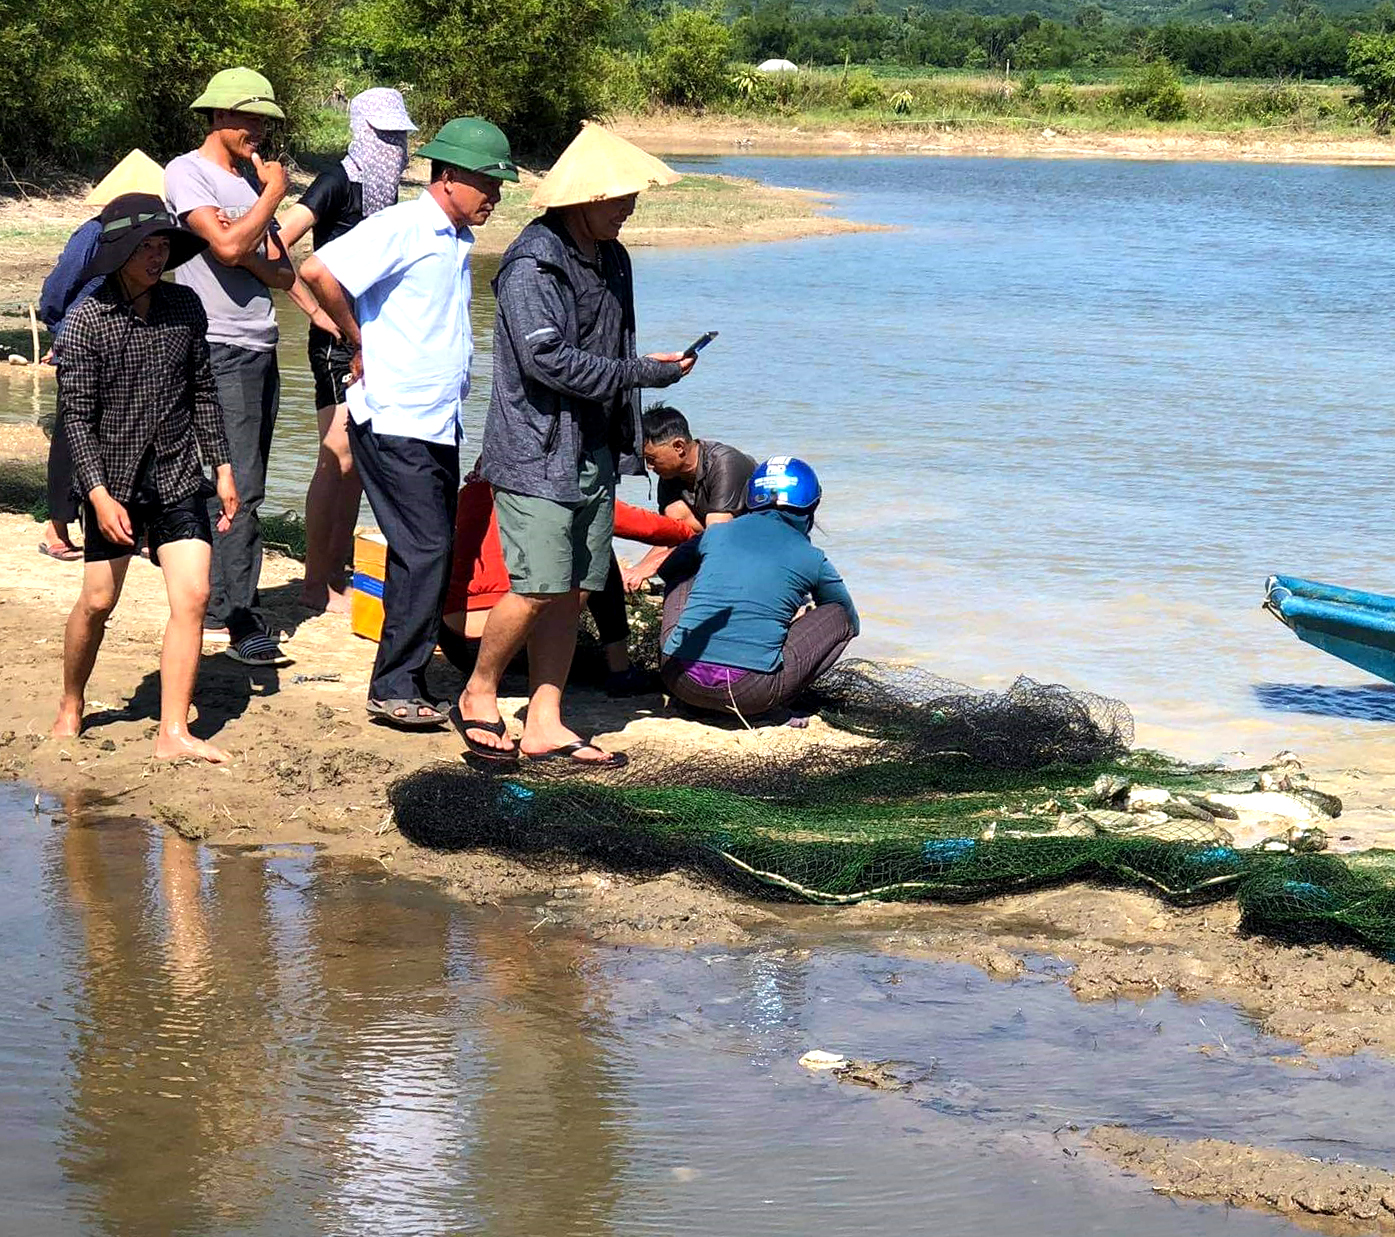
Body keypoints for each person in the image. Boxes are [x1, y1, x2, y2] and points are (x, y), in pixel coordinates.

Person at [459, 122, 694, 765]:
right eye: (619, 198)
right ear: (584, 199)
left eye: (631, 197)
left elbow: (611, 349)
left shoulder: (613, 258)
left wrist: (633, 397)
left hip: (592, 449)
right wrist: (647, 371)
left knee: (576, 588)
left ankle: (545, 719)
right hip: (534, 451)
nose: (629, 208)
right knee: (535, 585)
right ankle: (477, 694)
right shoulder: (533, 263)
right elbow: (549, 363)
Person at [300, 117, 518, 730]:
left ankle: (404, 676)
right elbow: (320, 271)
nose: (495, 197)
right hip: (395, 412)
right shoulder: (402, 225)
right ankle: (395, 684)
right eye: (487, 184)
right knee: (427, 547)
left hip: (433, 418)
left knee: (423, 546)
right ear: (448, 178)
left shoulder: (454, 237)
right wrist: (355, 337)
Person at [50, 193, 239, 763]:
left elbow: (203, 391)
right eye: (145, 246)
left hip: (180, 471)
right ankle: (71, 701)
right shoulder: (87, 321)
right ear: (119, 252)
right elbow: (76, 420)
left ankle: (173, 732)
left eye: (163, 245)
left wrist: (223, 466)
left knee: (194, 595)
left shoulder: (186, 307)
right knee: (99, 601)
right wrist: (99, 495)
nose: (156, 256)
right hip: (113, 479)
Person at [165, 67, 294, 667]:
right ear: (219, 117)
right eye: (253, 119)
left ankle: (218, 599)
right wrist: (271, 198)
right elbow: (228, 248)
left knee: (244, 477)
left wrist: (247, 243)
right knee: (237, 482)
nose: (261, 132)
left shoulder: (246, 180)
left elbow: (282, 271)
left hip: (261, 343)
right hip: (215, 342)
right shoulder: (187, 172)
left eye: (266, 121)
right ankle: (233, 615)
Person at [277, 87, 416, 613]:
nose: (395, 147)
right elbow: (276, 243)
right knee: (334, 456)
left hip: (373, 339)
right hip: (337, 339)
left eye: (400, 136)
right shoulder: (337, 181)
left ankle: (335, 573)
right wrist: (315, 312)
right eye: (385, 136)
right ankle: (316, 582)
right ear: (362, 132)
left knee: (357, 460)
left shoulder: (384, 192)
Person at [439, 469, 693, 694]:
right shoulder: (551, 493)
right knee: (597, 547)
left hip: (458, 647)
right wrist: (691, 531)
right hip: (511, 643)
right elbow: (641, 525)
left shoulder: (466, 496)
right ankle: (620, 669)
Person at [36, 150, 167, 562]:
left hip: (134, 345)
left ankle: (132, 524)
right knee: (73, 433)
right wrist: (63, 334)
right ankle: (56, 526)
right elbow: (55, 293)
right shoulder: (92, 234)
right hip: (85, 341)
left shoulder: (161, 242)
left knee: (135, 431)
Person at [658, 457, 859, 720]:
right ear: (811, 506)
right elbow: (847, 617)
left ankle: (695, 697)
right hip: (752, 693)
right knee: (840, 616)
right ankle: (780, 703)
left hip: (678, 678)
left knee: (684, 575)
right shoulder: (812, 557)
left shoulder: (716, 533)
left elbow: (668, 570)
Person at [625, 402, 756, 590]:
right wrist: (637, 571)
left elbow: (717, 537)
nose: (650, 467)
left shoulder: (724, 463)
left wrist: (652, 566)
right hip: (711, 538)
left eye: (651, 459)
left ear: (678, 446)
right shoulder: (669, 475)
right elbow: (672, 536)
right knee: (674, 513)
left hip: (750, 544)